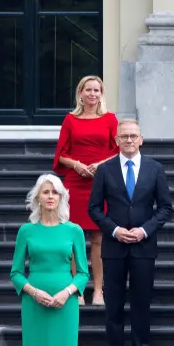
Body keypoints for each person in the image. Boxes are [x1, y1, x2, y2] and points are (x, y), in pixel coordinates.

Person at [10, 173, 88, 346]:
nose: (51, 196)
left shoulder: (74, 231)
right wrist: (33, 292)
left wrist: (67, 293)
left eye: (55, 192)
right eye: (46, 192)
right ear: (38, 197)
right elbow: (16, 272)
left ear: (62, 197)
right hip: (35, 304)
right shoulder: (26, 231)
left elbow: (83, 273)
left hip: (64, 305)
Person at [89, 119, 173, 346]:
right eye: (124, 136)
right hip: (114, 248)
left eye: (133, 136)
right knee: (113, 306)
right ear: (116, 140)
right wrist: (113, 229)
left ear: (141, 139)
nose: (128, 140)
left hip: (143, 247)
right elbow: (93, 208)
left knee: (140, 305)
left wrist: (144, 229)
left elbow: (166, 208)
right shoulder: (105, 170)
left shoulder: (154, 168)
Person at [51, 75, 118, 306]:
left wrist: (100, 165)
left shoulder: (110, 119)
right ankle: (77, 289)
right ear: (80, 93)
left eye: (96, 90)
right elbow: (60, 155)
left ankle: (98, 290)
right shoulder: (70, 120)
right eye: (88, 90)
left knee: (98, 237)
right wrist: (76, 165)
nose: (92, 94)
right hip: (75, 182)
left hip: (101, 182)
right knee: (73, 238)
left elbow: (120, 151)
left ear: (101, 94)